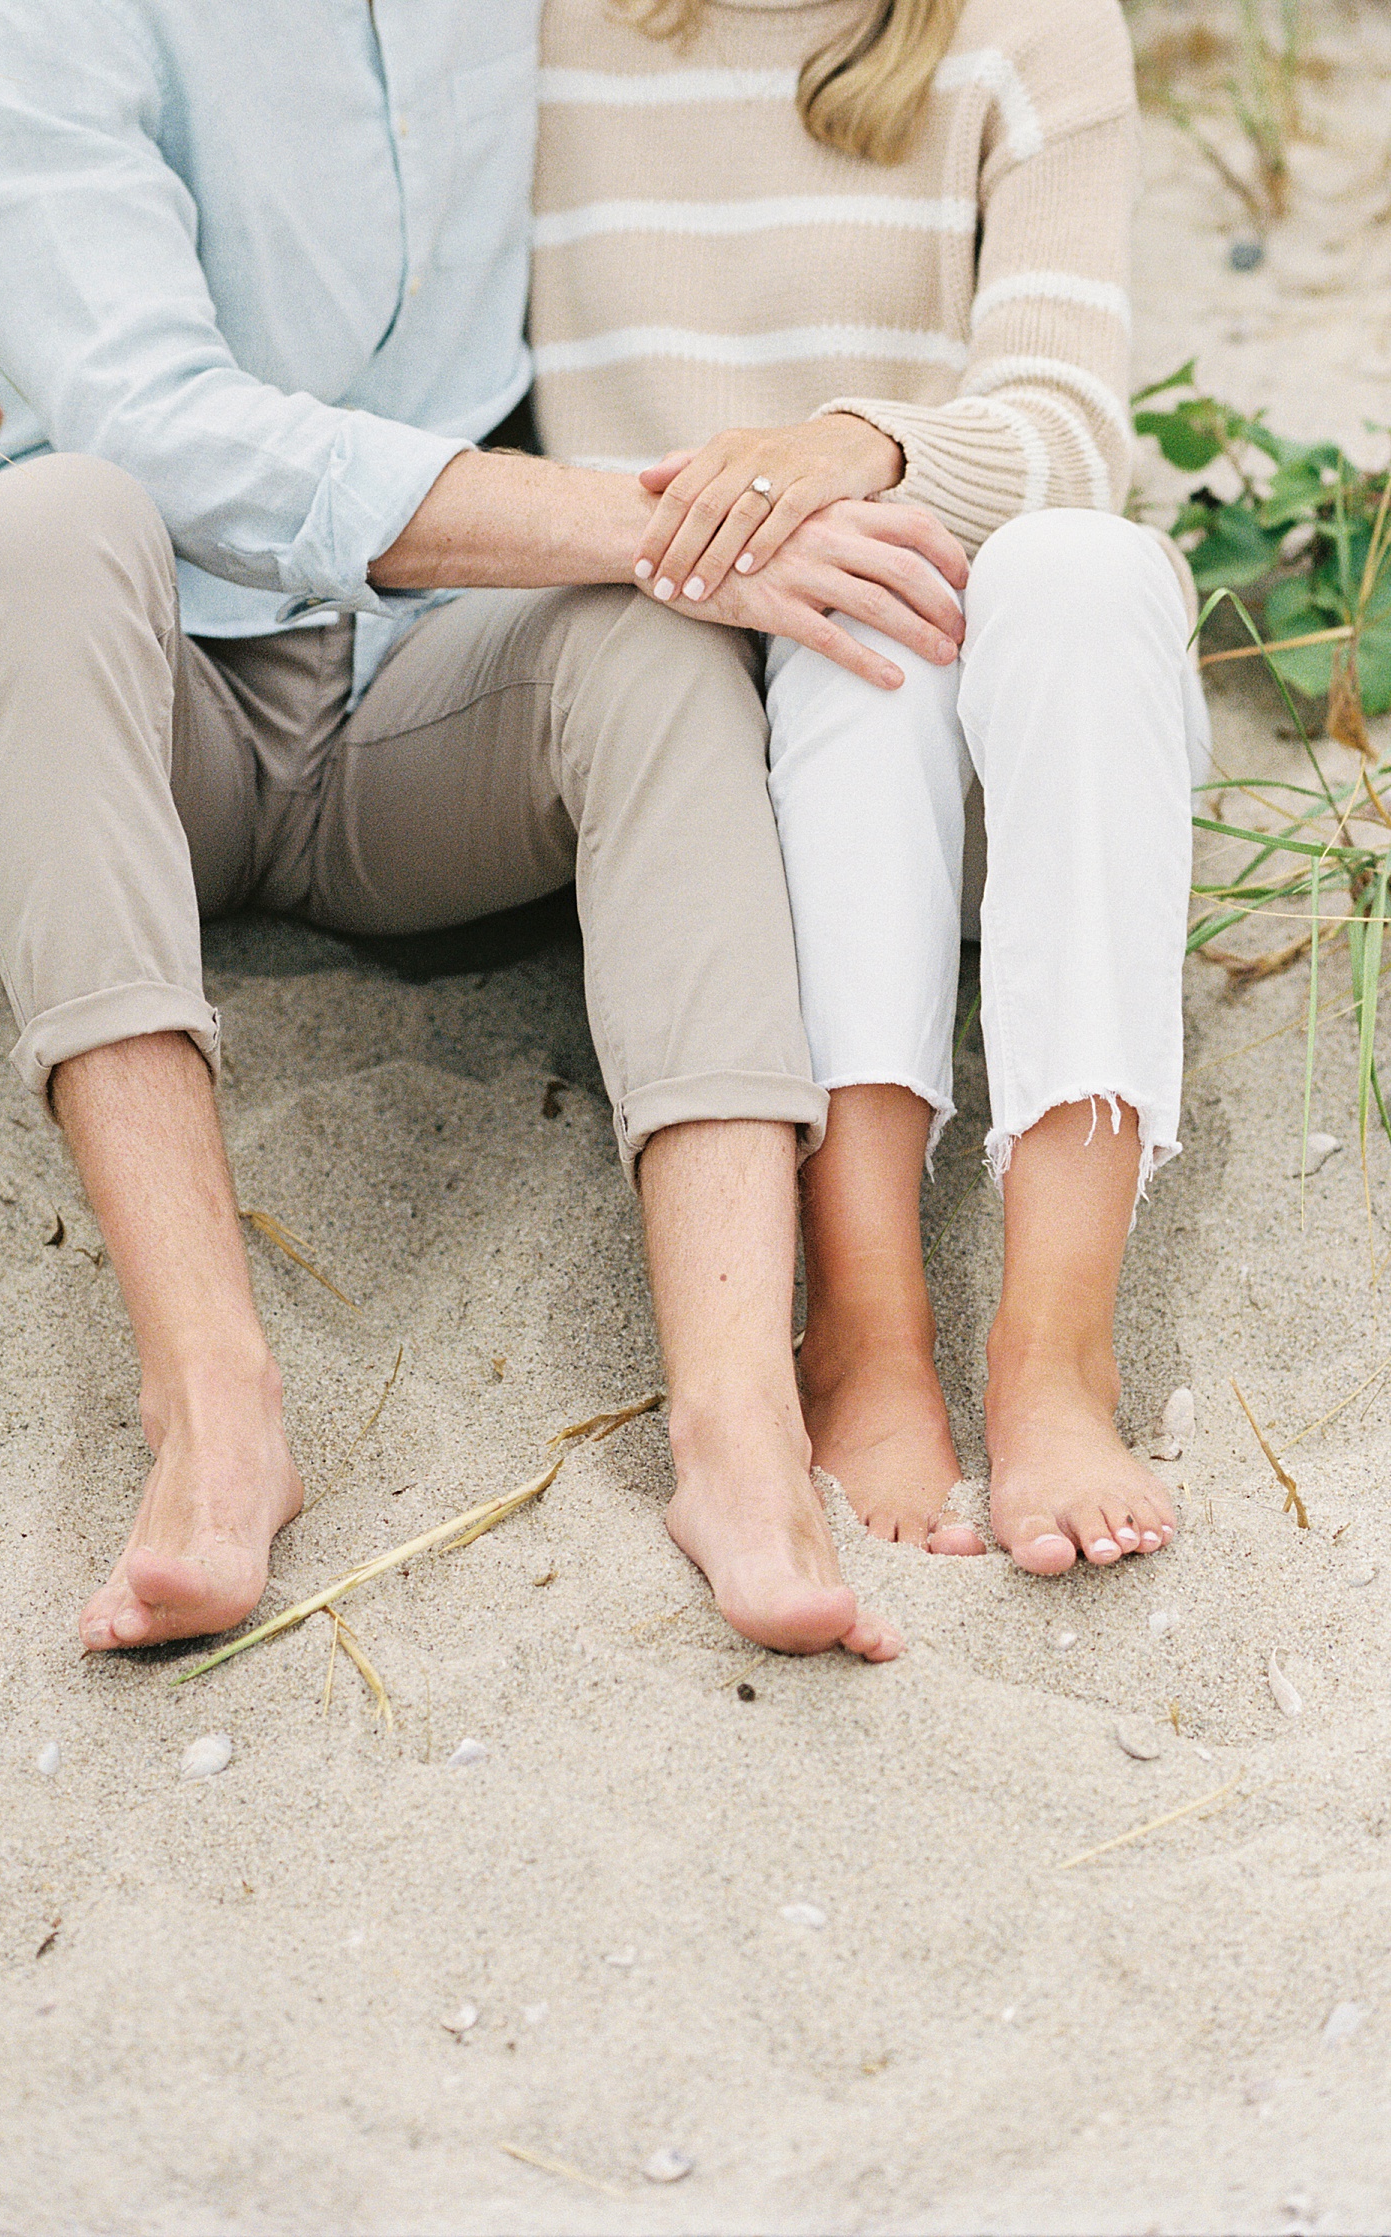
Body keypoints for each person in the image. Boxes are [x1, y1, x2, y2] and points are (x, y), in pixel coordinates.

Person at [0, 0, 992, 1666]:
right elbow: (148, 416)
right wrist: (635, 522)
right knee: (43, 520)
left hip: (425, 694)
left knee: (654, 630)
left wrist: (820, 464)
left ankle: (735, 1424)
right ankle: (212, 1400)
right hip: (129, 702)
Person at [525, 0, 1208, 1571]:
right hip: (747, 783)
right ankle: (869, 1323)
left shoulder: (1032, 28)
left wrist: (858, 446)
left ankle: (1056, 1349)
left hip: (1030, 753)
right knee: (841, 620)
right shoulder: (543, 31)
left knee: (1085, 572)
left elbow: (1069, 431)